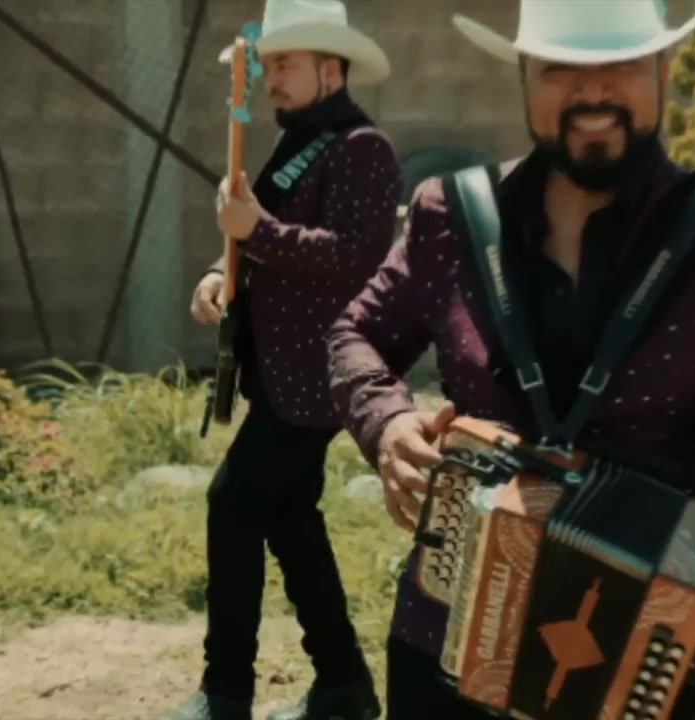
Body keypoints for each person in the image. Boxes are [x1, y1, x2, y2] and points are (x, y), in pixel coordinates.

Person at [326, 1, 695, 718]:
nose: (593, 91)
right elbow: (354, 334)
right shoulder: (449, 215)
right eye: (561, 68)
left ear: (664, 69)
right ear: (524, 75)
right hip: (449, 639)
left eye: (622, 64)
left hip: (644, 659)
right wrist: (387, 423)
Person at [164, 1, 401, 719]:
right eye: (267, 66)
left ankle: (226, 692)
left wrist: (256, 231)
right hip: (281, 375)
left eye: (286, 64)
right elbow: (253, 237)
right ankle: (344, 686)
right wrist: (219, 272)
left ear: (332, 68)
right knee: (291, 518)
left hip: (321, 374)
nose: (272, 79)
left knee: (232, 502)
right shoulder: (300, 143)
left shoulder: (362, 147)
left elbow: (354, 255)